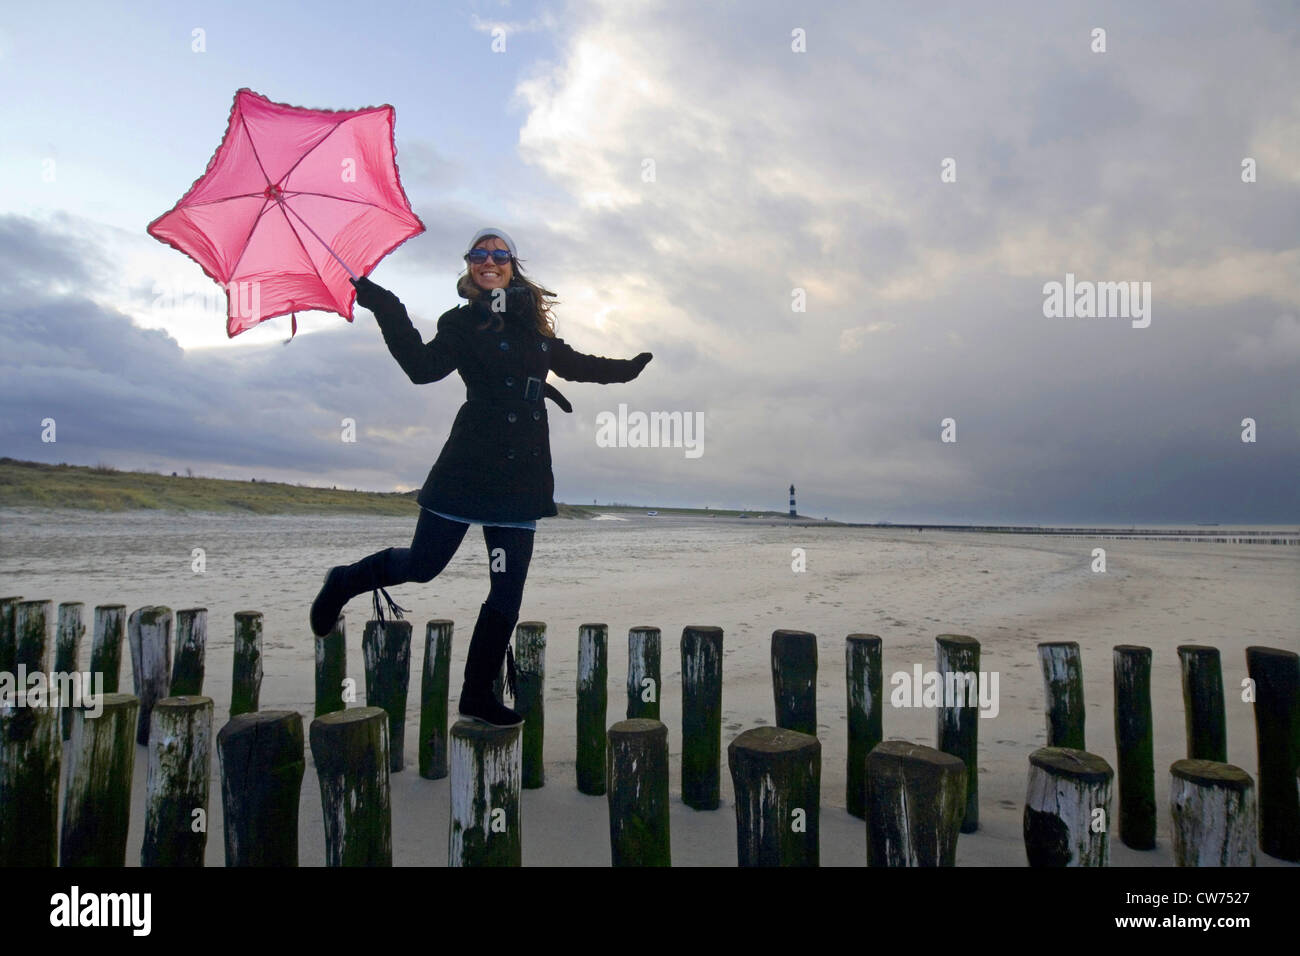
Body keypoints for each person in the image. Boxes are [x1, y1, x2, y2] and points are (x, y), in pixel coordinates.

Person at [309, 228, 652, 726]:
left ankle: (475, 695)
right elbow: (422, 368)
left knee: (506, 593)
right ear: (469, 264)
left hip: (521, 478)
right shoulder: (463, 322)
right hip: (469, 467)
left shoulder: (535, 331)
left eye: (498, 254)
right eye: (478, 254)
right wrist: (386, 305)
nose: (488, 260)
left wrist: (627, 370)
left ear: (513, 265)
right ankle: (344, 581)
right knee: (424, 564)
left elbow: (577, 365)